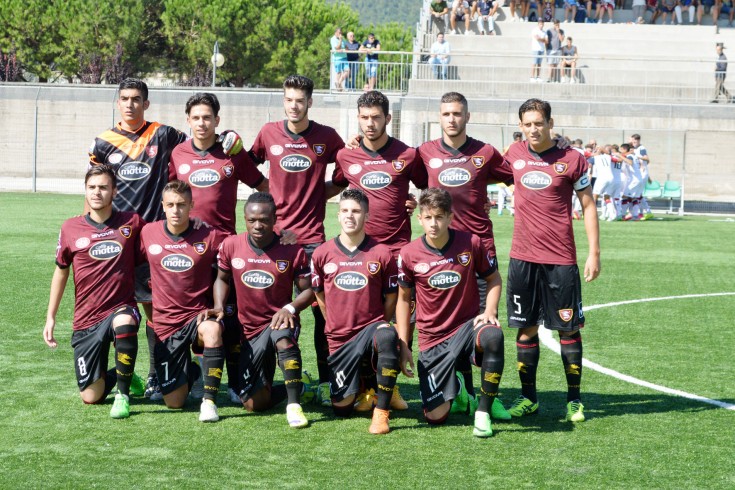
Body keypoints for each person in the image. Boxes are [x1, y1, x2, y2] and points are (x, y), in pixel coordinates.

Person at [89, 78, 242, 400]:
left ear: (146, 103)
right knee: (151, 313)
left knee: (191, 311)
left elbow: (204, 142)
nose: (130, 104)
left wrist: (230, 136)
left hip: (165, 237)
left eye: (136, 99)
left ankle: (191, 374)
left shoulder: (164, 134)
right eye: (124, 99)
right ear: (118, 102)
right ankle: (156, 372)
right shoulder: (103, 142)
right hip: (125, 242)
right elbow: (95, 186)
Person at [247, 75, 345, 407]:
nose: (294, 105)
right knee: (268, 309)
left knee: (320, 312)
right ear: (283, 101)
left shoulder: (327, 137)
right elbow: (248, 166)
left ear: (310, 103)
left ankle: (325, 380)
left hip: (313, 242)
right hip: (273, 242)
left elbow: (346, 172)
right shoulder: (268, 132)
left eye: (300, 100)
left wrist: (320, 194)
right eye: (289, 99)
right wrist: (269, 195)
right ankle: (268, 377)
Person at [503, 98, 600, 423]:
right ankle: (528, 398)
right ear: (521, 126)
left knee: (568, 330)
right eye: (527, 124)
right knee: (525, 330)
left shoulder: (572, 159)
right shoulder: (512, 155)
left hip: (561, 260)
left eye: (539, 123)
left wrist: (594, 253)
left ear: (550, 123)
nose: (533, 129)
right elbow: (477, 176)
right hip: (522, 259)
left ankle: (574, 400)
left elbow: (588, 205)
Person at [169, 92, 269, 403]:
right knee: (198, 315)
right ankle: (199, 377)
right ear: (188, 121)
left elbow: (262, 186)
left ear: (217, 121)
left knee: (232, 317)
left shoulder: (232, 152)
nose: (202, 123)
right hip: (188, 251)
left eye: (207, 117)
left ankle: (238, 382)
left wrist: (276, 227)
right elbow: (169, 195)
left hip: (227, 250)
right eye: (196, 117)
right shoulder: (178, 154)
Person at [396, 188, 506, 437]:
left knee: (493, 336)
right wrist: (404, 343)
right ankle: (455, 383)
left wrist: (489, 310)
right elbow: (403, 300)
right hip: (433, 338)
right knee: (436, 417)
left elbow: (494, 279)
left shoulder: (471, 243)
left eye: (439, 217)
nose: (433, 224)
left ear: (450, 217)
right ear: (419, 218)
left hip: (467, 328)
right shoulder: (409, 253)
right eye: (428, 217)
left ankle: (483, 411)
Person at [43, 165, 145, 419]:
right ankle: (123, 375)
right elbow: (61, 270)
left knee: (124, 322)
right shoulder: (70, 228)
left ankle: (123, 395)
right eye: (92, 187)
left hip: (121, 307)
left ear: (114, 191)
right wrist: (51, 317)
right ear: (85, 191)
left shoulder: (131, 223)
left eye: (103, 187)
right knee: (91, 396)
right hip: (86, 318)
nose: (97, 192)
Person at [210, 192, 314, 428]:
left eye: (264, 220)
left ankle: (294, 405)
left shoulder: (291, 249)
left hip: (279, 320)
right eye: (252, 220)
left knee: (283, 338)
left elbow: (308, 291)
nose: (258, 225)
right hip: (249, 330)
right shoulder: (231, 245)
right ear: (244, 218)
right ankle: (299, 386)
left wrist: (290, 308)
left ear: (274, 219)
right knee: (254, 404)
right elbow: (222, 279)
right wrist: (218, 305)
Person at [311, 189, 401, 434]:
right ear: (338, 215)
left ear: (367, 216)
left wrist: (381, 323)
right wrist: (333, 321)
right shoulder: (322, 253)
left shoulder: (382, 253)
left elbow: (392, 295)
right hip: (339, 337)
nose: (350, 216)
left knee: (386, 335)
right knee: (341, 409)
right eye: (345, 211)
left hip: (370, 329)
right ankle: (367, 392)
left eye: (356, 211)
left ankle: (382, 412)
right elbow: (318, 294)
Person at [139, 180, 227, 422]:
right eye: (171, 205)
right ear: (163, 206)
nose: (176, 210)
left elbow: (239, 248)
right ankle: (195, 371)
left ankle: (209, 402)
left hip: (196, 317)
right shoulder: (148, 233)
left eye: (181, 205)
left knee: (213, 330)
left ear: (191, 205)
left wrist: (281, 233)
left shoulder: (209, 235)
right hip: (167, 325)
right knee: (175, 403)